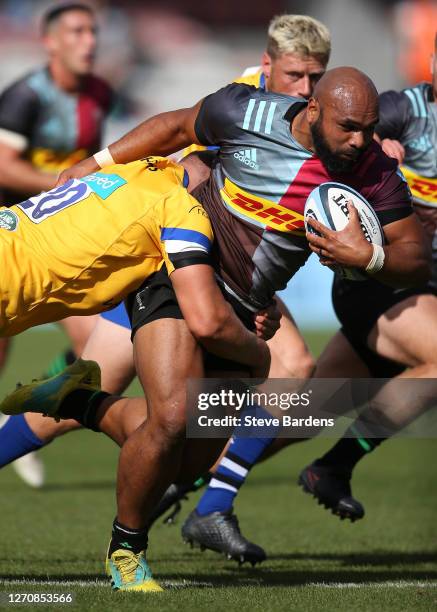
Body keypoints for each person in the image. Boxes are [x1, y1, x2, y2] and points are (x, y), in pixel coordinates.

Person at [6, 67, 428, 592]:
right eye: (349, 127)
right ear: (314, 110)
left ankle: (80, 402)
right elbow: (175, 127)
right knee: (174, 417)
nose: (360, 140)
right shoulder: (245, 111)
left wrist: (370, 257)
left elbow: (415, 256)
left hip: (245, 306)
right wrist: (92, 164)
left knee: (189, 459)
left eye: (368, 128)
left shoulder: (370, 170)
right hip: (182, 269)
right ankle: (126, 551)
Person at [0, 13, 330, 498]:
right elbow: (178, 151)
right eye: (295, 76)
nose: (305, 90)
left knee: (282, 383)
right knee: (183, 408)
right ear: (266, 65)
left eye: (316, 78)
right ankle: (205, 500)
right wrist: (93, 170)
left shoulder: (314, 119)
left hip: (202, 259)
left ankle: (202, 496)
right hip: (173, 250)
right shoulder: (240, 103)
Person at [297, 33, 437, 520]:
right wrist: (381, 151)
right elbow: (351, 139)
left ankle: (196, 479)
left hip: (412, 290)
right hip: (383, 283)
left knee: (306, 409)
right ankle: (334, 466)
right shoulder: (404, 112)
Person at [0, 2, 113, 486]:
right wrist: (63, 185)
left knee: (97, 348)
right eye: (77, 31)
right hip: (10, 238)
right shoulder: (26, 96)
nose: (89, 40)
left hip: (62, 240)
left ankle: (28, 408)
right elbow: (3, 166)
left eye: (93, 31)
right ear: (50, 42)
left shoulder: (101, 93)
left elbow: (96, 161)